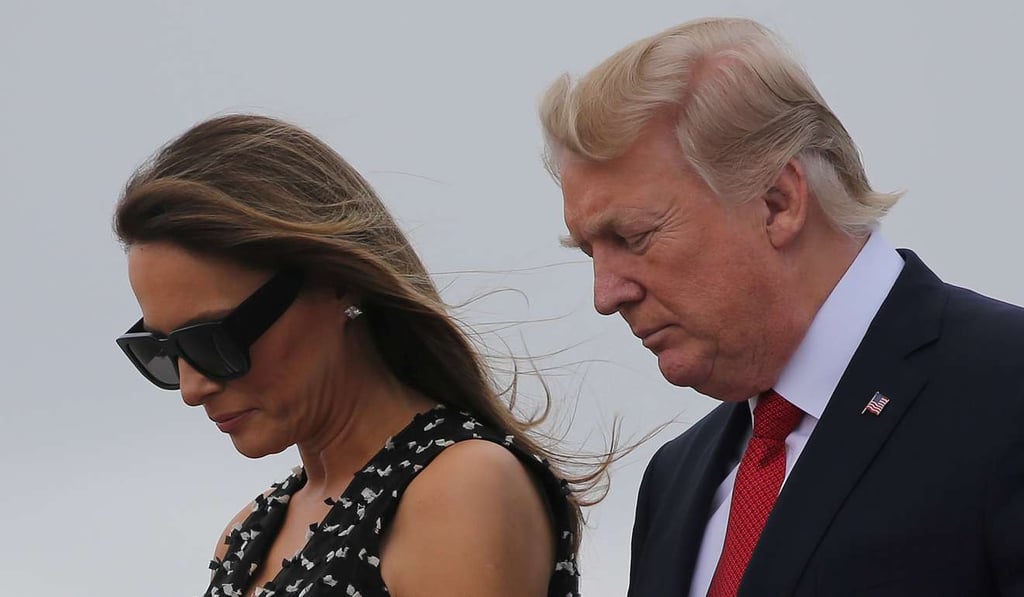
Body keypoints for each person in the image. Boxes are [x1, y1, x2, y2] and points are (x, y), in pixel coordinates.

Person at [539, 16, 1024, 597]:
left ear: (778, 202)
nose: (606, 294)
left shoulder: (1006, 390)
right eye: (589, 250)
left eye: (633, 237)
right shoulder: (674, 480)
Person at [113, 114, 583, 597]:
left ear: (336, 282)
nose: (193, 388)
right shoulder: (245, 537)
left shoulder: (462, 488)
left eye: (213, 340)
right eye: (163, 351)